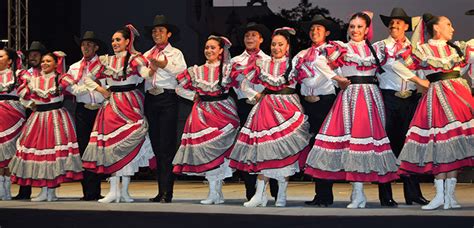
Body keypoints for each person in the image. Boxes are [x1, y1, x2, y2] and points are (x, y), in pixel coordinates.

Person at [304, 12, 399, 209]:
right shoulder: (342, 48)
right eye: (352, 26)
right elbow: (320, 61)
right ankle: (357, 194)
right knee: (353, 143)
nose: (355, 30)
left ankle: (377, 195)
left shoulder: (375, 49)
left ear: (366, 30)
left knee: (372, 143)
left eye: (359, 26)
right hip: (352, 96)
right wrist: (336, 78)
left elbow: (392, 66)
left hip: (372, 97)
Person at [394, 13, 474, 210]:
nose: (452, 28)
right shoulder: (423, 49)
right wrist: (419, 81)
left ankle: (450, 196)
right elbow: (397, 64)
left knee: (454, 144)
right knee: (440, 144)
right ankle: (439, 195)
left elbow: (464, 67)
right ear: (437, 28)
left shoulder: (456, 48)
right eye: (448, 24)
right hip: (438, 97)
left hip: (459, 96)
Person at [229, 27, 312, 207]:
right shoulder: (262, 64)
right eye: (273, 44)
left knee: (286, 151)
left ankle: (281, 194)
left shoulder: (295, 63)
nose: (276, 48)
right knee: (265, 151)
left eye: (280, 44)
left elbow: (309, 80)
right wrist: (253, 94)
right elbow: (242, 81)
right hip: (267, 107)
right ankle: (260, 194)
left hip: (288, 107)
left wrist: (312, 93)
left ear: (287, 46)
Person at [81, 24, 154, 203]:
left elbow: (145, 74)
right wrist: (102, 89)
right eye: (113, 40)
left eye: (118, 40)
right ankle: (114, 190)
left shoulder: (136, 59)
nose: (114, 43)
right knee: (111, 145)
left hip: (131, 103)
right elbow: (88, 78)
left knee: (126, 145)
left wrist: (155, 67)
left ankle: (125, 191)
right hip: (113, 104)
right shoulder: (107, 61)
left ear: (127, 41)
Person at [173, 35, 239, 205]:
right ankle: (213, 191)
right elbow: (178, 88)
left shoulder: (227, 69)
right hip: (202, 113)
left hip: (223, 111)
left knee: (220, 151)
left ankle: (217, 191)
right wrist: (193, 95)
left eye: (213, 48)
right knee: (206, 150)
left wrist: (253, 97)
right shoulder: (197, 71)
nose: (208, 51)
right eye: (206, 47)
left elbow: (242, 85)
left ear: (220, 51)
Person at [9, 52, 84, 202]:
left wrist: (95, 89)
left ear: (56, 64)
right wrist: (31, 104)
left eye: (48, 61)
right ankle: (44, 190)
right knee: (40, 153)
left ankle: (51, 192)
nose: (44, 63)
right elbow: (23, 96)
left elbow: (76, 90)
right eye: (43, 61)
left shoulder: (61, 79)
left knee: (53, 154)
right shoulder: (34, 81)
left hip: (56, 118)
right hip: (39, 119)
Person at [376, 8, 429, 207]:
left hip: (409, 101)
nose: (394, 25)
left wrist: (422, 85)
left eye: (398, 22)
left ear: (406, 26)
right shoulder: (381, 47)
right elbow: (391, 65)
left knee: (411, 147)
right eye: (391, 23)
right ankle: (385, 194)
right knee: (387, 146)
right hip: (389, 99)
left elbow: (422, 69)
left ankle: (412, 193)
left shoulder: (415, 47)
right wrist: (419, 81)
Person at [293, 15, 340, 207]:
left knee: (324, 146)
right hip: (308, 104)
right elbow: (295, 75)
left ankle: (326, 193)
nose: (314, 32)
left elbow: (336, 75)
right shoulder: (302, 54)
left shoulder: (333, 52)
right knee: (312, 147)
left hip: (325, 102)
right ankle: (319, 193)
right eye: (312, 29)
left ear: (327, 32)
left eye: (319, 29)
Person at [230, 22, 279, 201]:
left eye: (253, 35)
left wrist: (262, 95)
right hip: (245, 105)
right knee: (247, 148)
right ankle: (251, 191)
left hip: (266, 105)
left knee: (268, 145)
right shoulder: (236, 61)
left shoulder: (268, 59)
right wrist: (247, 95)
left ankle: (274, 189)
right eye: (246, 35)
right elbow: (232, 84)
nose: (250, 38)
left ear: (261, 39)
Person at [143, 15, 187, 203]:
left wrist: (164, 64)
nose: (156, 34)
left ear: (168, 34)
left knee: (167, 146)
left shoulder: (175, 53)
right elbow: (141, 75)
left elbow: (182, 72)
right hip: (150, 99)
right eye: (154, 31)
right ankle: (160, 190)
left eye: (160, 30)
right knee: (156, 145)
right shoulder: (146, 54)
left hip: (167, 98)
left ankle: (167, 192)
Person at [66, 31, 107, 201]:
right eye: (83, 44)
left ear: (96, 47)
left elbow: (108, 85)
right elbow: (70, 88)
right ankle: (88, 191)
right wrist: (90, 87)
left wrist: (88, 86)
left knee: (100, 149)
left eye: (89, 44)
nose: (86, 47)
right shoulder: (75, 67)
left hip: (101, 109)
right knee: (84, 149)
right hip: (83, 109)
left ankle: (98, 189)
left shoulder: (104, 65)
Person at [12, 41, 47, 200]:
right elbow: (20, 93)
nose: (32, 57)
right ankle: (24, 190)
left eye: (35, 54)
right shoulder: (25, 74)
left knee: (45, 151)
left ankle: (46, 189)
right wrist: (30, 104)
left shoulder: (48, 72)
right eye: (30, 55)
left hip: (45, 114)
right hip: (28, 113)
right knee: (25, 151)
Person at [0, 48, 26, 200]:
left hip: (12, 113)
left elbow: (33, 84)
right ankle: (1, 188)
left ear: (10, 61)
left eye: (1, 56)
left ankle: (8, 187)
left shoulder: (19, 74)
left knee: (10, 150)